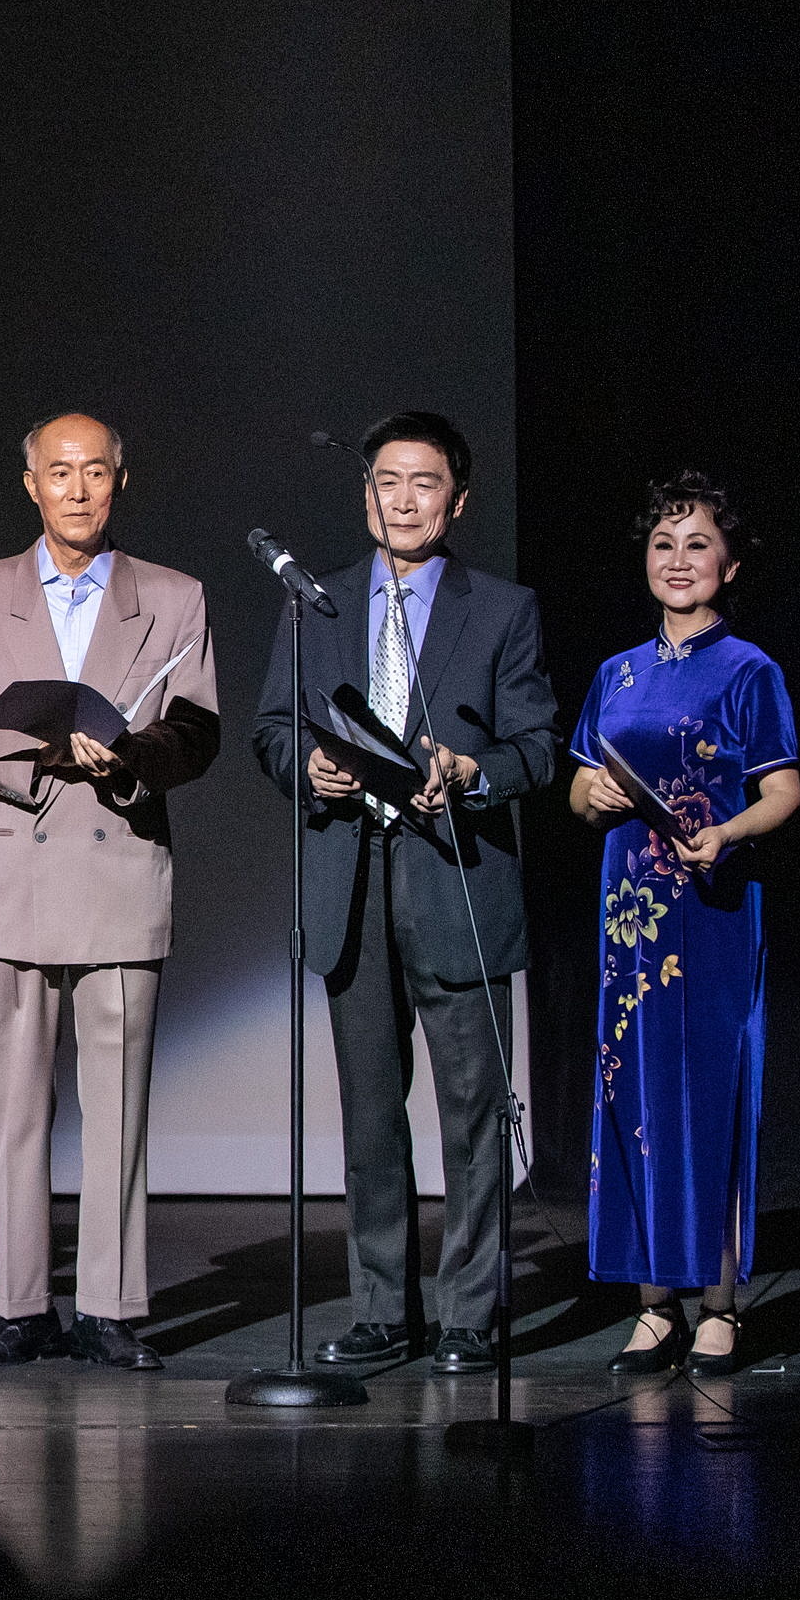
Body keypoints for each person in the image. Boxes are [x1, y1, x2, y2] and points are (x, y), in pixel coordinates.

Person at [251, 411, 559, 1373]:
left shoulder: (501, 608)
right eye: (387, 480)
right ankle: (383, 1307)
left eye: (424, 483)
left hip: (454, 876)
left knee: (472, 1111)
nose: (403, 499)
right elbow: (272, 729)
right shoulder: (317, 603)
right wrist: (310, 769)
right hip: (350, 879)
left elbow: (536, 747)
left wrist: (470, 772)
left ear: (456, 501)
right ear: (365, 494)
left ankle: (468, 1312)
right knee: (370, 1114)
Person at [0, 412, 221, 1370]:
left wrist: (128, 759)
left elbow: (195, 728)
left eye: (94, 471)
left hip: (118, 862)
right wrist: (37, 759)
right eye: (59, 471)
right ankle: (20, 1305)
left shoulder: (172, 595)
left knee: (118, 1103)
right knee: (12, 1107)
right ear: (30, 485)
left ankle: (108, 1306)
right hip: (12, 865)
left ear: (120, 481)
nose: (77, 489)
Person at [569, 473, 800, 1375]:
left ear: (728, 564)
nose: (677, 560)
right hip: (628, 913)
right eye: (662, 544)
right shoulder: (615, 672)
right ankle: (652, 1304)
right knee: (633, 1094)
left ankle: (717, 1304)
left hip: (710, 907)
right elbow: (580, 788)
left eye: (696, 544)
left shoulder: (749, 670)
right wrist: (588, 796)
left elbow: (783, 791)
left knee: (708, 1097)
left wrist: (728, 832)